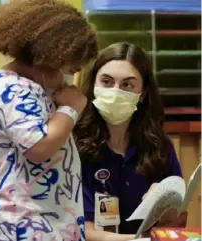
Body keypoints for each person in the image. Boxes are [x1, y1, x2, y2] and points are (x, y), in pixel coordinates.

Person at [0, 0, 97, 240]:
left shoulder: (33, 87)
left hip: (44, 224)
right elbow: (38, 146)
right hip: (19, 226)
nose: (67, 78)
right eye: (68, 69)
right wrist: (71, 109)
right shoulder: (13, 88)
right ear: (46, 56)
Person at [73, 42, 187, 241]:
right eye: (107, 82)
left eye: (127, 84)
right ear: (94, 86)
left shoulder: (160, 147)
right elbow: (84, 232)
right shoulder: (74, 146)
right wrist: (140, 240)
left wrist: (166, 208)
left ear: (142, 94)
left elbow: (175, 226)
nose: (115, 91)